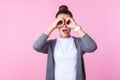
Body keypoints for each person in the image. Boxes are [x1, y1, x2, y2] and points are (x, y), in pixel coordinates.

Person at [33, 5, 97, 80]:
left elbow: (92, 47)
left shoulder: (79, 43)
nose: (64, 25)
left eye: (68, 22)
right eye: (60, 21)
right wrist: (52, 27)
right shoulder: (51, 44)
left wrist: (76, 26)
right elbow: (36, 46)